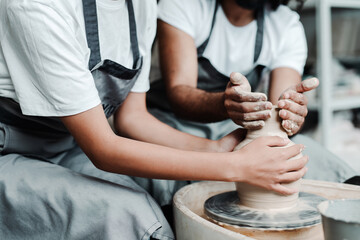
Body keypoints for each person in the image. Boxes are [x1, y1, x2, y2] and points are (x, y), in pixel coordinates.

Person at [0, 0, 308, 239]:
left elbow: (132, 119)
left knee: (166, 193)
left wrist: (216, 150)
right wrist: (236, 166)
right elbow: (102, 148)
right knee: (130, 216)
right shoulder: (37, 7)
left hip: (67, 144)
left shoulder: (140, 5)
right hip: (12, 152)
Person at [144, 0, 357, 206]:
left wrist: (292, 112)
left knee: (319, 165)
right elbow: (179, 95)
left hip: (234, 129)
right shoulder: (185, 4)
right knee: (168, 191)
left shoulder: (285, 24)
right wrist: (224, 105)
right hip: (170, 125)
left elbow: (281, 116)